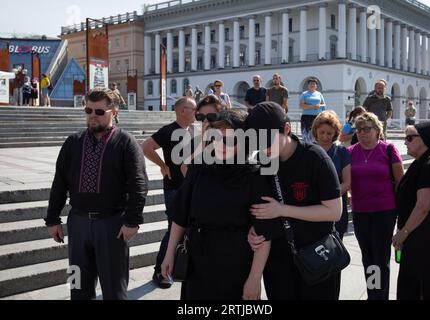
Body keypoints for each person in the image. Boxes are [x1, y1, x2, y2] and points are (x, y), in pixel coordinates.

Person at [44, 87, 148, 300]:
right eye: (88, 110)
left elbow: (138, 183)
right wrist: (52, 218)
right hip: (78, 225)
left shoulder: (126, 143)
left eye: (99, 112)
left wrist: (132, 221)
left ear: (114, 112)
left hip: (111, 226)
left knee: (114, 290)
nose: (93, 116)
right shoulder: (73, 142)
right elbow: (59, 182)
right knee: (77, 285)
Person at [161, 109, 272, 300]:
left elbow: (264, 233)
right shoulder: (198, 167)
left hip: (236, 262)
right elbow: (180, 215)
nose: (222, 144)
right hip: (198, 260)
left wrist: (255, 279)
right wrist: (169, 254)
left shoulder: (254, 174)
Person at [246, 102, 343, 300]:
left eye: (267, 139)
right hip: (279, 262)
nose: (261, 146)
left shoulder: (315, 157)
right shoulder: (264, 160)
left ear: (287, 129)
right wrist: (254, 229)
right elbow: (264, 208)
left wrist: (282, 210)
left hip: (318, 256)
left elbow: (334, 211)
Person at [141, 97, 197, 289]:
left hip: (191, 187)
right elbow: (145, 147)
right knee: (173, 228)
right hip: (174, 188)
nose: (196, 111)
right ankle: (160, 271)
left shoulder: (193, 130)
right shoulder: (168, 130)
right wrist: (163, 165)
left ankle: (176, 268)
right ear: (182, 110)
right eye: (193, 108)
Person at [348, 112, 404, 300]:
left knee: (380, 257)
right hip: (360, 212)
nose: (362, 133)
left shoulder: (388, 149)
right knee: (368, 257)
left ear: (377, 130)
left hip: (385, 211)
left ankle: (380, 296)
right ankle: (374, 294)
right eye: (359, 129)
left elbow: (400, 182)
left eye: (367, 129)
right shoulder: (350, 152)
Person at [392, 122, 430, 300]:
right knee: (413, 282)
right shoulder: (421, 163)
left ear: (424, 140)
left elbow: (423, 206)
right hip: (416, 233)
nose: (405, 142)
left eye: (409, 138)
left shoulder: (429, 166)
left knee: (423, 284)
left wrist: (403, 233)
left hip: (423, 234)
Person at [310, 111, 351, 298]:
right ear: (316, 131)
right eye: (322, 132)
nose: (325, 137)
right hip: (312, 210)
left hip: (336, 210)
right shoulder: (307, 151)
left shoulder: (341, 152)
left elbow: (347, 182)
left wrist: (328, 199)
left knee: (334, 252)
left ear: (335, 133)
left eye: (329, 133)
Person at [299, 77, 326, 143]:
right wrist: (313, 107)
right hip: (306, 117)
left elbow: (324, 104)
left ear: (316, 86)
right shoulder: (304, 94)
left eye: (314, 84)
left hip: (317, 117)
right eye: (311, 84)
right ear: (308, 85)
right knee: (306, 137)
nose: (312, 85)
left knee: (316, 135)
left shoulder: (319, 94)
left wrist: (319, 106)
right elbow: (301, 106)